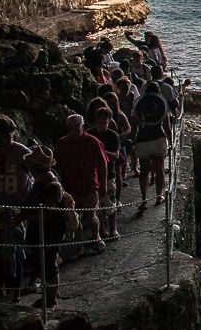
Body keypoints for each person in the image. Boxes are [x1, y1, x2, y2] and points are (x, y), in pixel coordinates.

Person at [0, 116, 33, 297]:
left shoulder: (22, 153)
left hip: (19, 205)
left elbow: (34, 175)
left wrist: (30, 204)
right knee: (0, 246)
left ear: (12, 134)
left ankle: (18, 288)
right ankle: (0, 286)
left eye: (5, 136)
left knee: (17, 246)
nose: (2, 140)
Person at [22, 146, 68, 310]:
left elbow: (47, 212)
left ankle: (50, 300)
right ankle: (48, 296)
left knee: (48, 263)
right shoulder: (41, 181)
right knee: (42, 260)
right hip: (40, 228)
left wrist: (25, 216)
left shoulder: (51, 185)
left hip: (50, 229)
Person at [54, 114, 108, 253]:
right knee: (74, 217)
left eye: (76, 127)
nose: (73, 131)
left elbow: (103, 164)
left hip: (89, 186)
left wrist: (103, 185)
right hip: (70, 187)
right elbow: (56, 165)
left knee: (90, 216)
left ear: (82, 126)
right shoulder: (62, 143)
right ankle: (79, 243)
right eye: (70, 128)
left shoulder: (92, 141)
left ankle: (96, 238)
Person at [132, 82, 171, 210]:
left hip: (142, 139)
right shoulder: (160, 104)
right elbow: (166, 126)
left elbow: (134, 125)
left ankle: (144, 199)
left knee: (144, 171)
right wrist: (170, 141)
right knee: (159, 169)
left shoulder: (138, 105)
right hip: (158, 138)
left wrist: (133, 140)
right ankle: (159, 196)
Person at [87, 107, 124, 241]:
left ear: (109, 121)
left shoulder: (112, 135)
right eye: (99, 119)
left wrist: (101, 151)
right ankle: (102, 229)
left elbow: (115, 156)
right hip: (93, 174)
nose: (101, 122)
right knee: (96, 204)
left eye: (104, 119)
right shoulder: (89, 134)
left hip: (110, 174)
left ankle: (113, 228)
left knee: (110, 202)